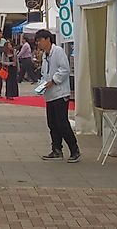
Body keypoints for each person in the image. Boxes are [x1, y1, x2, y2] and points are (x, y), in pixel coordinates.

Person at [35, 29, 80, 163]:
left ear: (48, 39)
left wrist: (53, 80)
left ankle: (74, 149)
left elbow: (64, 69)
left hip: (60, 93)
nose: (38, 44)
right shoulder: (45, 55)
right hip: (49, 94)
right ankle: (56, 149)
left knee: (62, 123)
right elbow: (45, 72)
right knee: (52, 123)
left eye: (40, 41)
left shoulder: (58, 51)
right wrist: (42, 84)